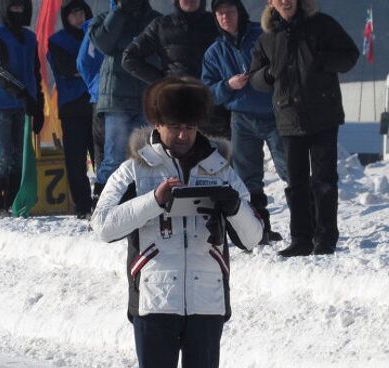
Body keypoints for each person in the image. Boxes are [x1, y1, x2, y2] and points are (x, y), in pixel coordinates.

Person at [90, 77, 262, 368]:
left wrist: (234, 205)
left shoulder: (221, 170)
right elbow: (103, 226)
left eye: (190, 128)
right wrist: (153, 201)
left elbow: (253, 238)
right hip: (154, 299)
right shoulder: (133, 169)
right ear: (157, 123)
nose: (183, 136)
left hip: (207, 300)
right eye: (175, 127)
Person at [250, 0, 359, 257]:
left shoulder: (322, 25)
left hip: (323, 114)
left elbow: (349, 56)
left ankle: (326, 237)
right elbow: (255, 77)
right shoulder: (267, 37)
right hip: (289, 117)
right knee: (295, 183)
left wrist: (320, 59)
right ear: (271, 3)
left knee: (324, 181)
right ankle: (301, 238)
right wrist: (267, 75)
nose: (285, 1)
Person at [202, 0, 288, 244]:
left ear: (239, 12)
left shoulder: (263, 35)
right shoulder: (214, 51)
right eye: (219, 13)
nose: (225, 17)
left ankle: (307, 226)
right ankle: (260, 230)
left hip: (274, 114)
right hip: (241, 118)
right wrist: (227, 85)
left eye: (229, 11)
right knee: (247, 178)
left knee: (290, 170)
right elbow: (208, 93)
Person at [122, 0, 231, 138]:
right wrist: (164, 82)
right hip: (176, 106)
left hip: (213, 106)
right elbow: (129, 58)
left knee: (217, 156)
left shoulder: (216, 23)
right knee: (178, 153)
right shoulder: (161, 25)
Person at [88, 0, 161, 203]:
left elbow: (160, 50)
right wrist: (119, 12)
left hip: (147, 97)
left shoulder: (155, 19)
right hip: (116, 99)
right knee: (114, 156)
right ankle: (102, 202)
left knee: (148, 156)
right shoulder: (103, 19)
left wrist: (126, 43)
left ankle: (144, 204)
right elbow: (104, 43)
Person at [0, 0, 45, 217]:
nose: (18, 12)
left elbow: (35, 72)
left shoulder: (29, 38)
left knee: (20, 156)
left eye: (21, 8)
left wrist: (39, 103)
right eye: (13, 8)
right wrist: (23, 92)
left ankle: (13, 200)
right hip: (2, 103)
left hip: (25, 105)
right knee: (5, 155)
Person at [48, 0, 94, 219]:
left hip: (95, 103)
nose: (78, 17)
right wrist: (86, 68)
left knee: (101, 157)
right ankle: (82, 205)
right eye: (73, 14)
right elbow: (67, 69)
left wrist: (83, 69)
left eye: (81, 12)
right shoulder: (57, 41)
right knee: (75, 160)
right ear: (66, 17)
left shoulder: (96, 33)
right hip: (72, 106)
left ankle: (104, 201)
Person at [77, 17, 105, 206]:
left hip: (135, 98)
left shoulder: (145, 20)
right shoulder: (99, 24)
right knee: (103, 151)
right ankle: (102, 199)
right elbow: (83, 62)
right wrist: (95, 85)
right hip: (102, 98)